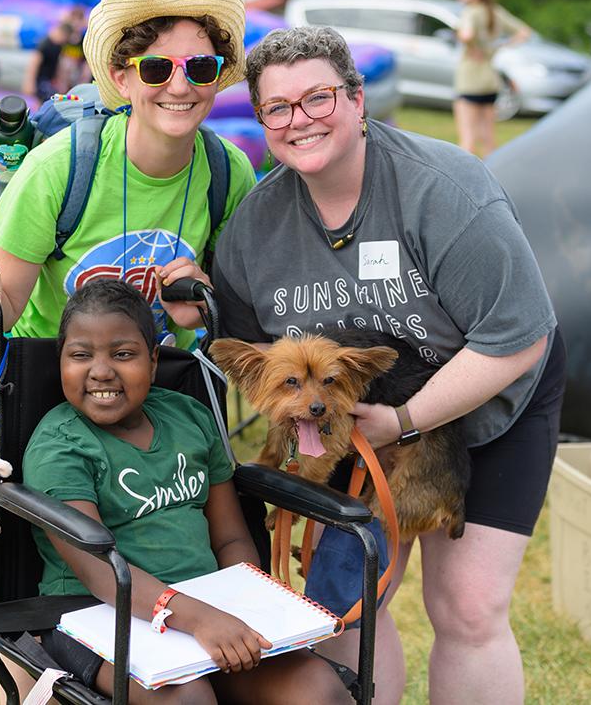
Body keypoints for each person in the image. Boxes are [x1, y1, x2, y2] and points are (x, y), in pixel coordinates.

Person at [210, 26, 566, 705]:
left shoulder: (445, 191)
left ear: (357, 98)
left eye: (318, 98)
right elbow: (250, 358)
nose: (300, 120)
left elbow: (517, 338)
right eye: (278, 108)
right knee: (343, 604)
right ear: (261, 120)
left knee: (466, 605)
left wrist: (404, 421)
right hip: (349, 418)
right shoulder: (255, 228)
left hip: (490, 399)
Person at [22, 278, 353, 703]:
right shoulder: (60, 446)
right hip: (95, 615)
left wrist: (240, 605)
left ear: (153, 360)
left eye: (123, 354)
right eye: (81, 355)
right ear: (61, 362)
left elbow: (230, 538)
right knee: (188, 698)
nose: (101, 370)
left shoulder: (188, 418)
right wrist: (199, 619)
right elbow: (101, 572)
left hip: (206, 606)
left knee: (318, 689)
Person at [0, 0, 256, 368]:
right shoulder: (59, 166)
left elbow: (238, 304)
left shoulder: (229, 171)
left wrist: (206, 303)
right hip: (45, 370)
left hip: (159, 373)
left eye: (200, 67)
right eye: (156, 68)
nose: (180, 87)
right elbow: (0, 314)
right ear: (121, 79)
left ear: (217, 76)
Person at [452, 0, 531, 157]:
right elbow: (524, 32)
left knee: (467, 139)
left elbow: (467, 35)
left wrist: (467, 41)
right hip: (489, 79)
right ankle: (492, 172)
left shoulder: (470, 12)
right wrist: (498, 46)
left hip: (470, 79)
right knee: (489, 138)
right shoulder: (495, 11)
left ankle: (466, 175)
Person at [22, 19, 72, 107]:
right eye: (65, 38)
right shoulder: (45, 44)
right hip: (40, 80)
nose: (65, 41)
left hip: (49, 79)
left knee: (50, 102)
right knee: (46, 102)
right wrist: (30, 82)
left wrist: (60, 80)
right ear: (62, 33)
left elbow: (58, 64)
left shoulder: (59, 46)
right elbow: (34, 64)